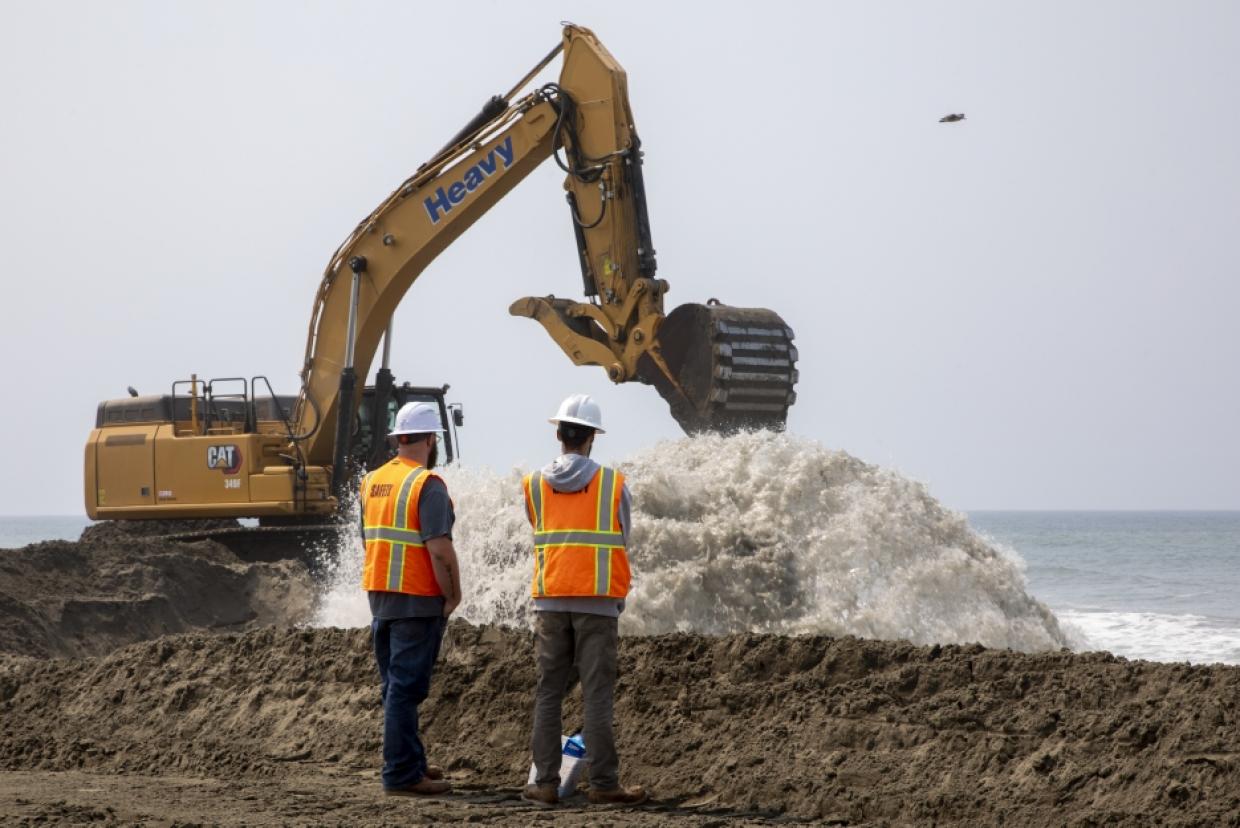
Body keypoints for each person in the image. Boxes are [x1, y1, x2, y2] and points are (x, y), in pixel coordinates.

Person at [521, 394, 648, 806]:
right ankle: (605, 784)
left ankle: (544, 783)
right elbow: (622, 538)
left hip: (551, 600)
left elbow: (540, 529)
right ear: (593, 437)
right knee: (596, 695)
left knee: (548, 692)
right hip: (597, 603)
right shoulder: (612, 484)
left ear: (558, 433)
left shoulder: (534, 484)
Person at [360, 401, 463, 796]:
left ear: (398, 438)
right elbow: (439, 549)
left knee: (394, 687)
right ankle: (402, 774)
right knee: (405, 688)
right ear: (431, 438)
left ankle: (410, 760)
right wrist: (452, 594)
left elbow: (368, 539)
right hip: (416, 597)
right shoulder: (427, 484)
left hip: (381, 594)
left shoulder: (372, 481)